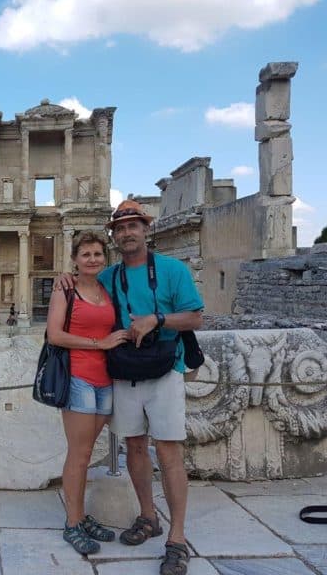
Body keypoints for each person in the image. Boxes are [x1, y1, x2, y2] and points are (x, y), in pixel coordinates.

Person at [57, 200, 204, 575]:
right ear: (115, 236)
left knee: (169, 453)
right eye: (120, 229)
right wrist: (64, 278)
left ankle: (177, 538)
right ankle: (147, 516)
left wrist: (157, 319)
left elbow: (196, 317)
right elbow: (82, 287)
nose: (127, 233)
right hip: (123, 374)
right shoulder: (108, 277)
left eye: (133, 226)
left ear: (146, 229)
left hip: (165, 371)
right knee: (135, 448)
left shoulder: (172, 270)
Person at [48, 231, 128, 557]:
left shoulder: (106, 289)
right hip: (79, 377)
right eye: (86, 254)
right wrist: (100, 344)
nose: (92, 259)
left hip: (105, 379)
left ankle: (80, 516)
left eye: (97, 253)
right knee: (78, 454)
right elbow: (54, 335)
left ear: (104, 258)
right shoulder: (66, 290)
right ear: (75, 259)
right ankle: (72, 522)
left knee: (86, 452)